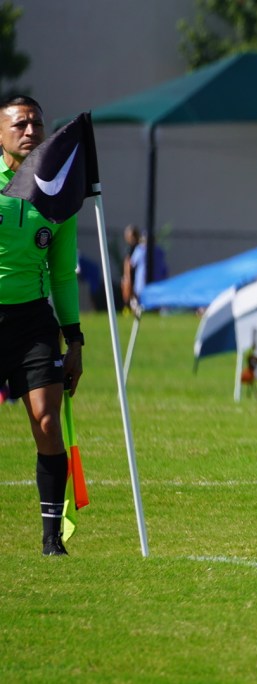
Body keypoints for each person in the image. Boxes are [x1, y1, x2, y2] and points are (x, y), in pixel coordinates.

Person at [0, 95, 84, 556]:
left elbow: (61, 272)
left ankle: (52, 541)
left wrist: (74, 339)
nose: (29, 131)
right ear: (0, 134)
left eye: (35, 123)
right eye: (18, 124)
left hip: (33, 320)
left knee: (47, 420)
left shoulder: (56, 195)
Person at [122, 224, 168, 313]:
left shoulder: (140, 250)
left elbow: (130, 264)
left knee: (140, 302)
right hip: (155, 283)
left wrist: (127, 279)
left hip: (142, 284)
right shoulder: (158, 250)